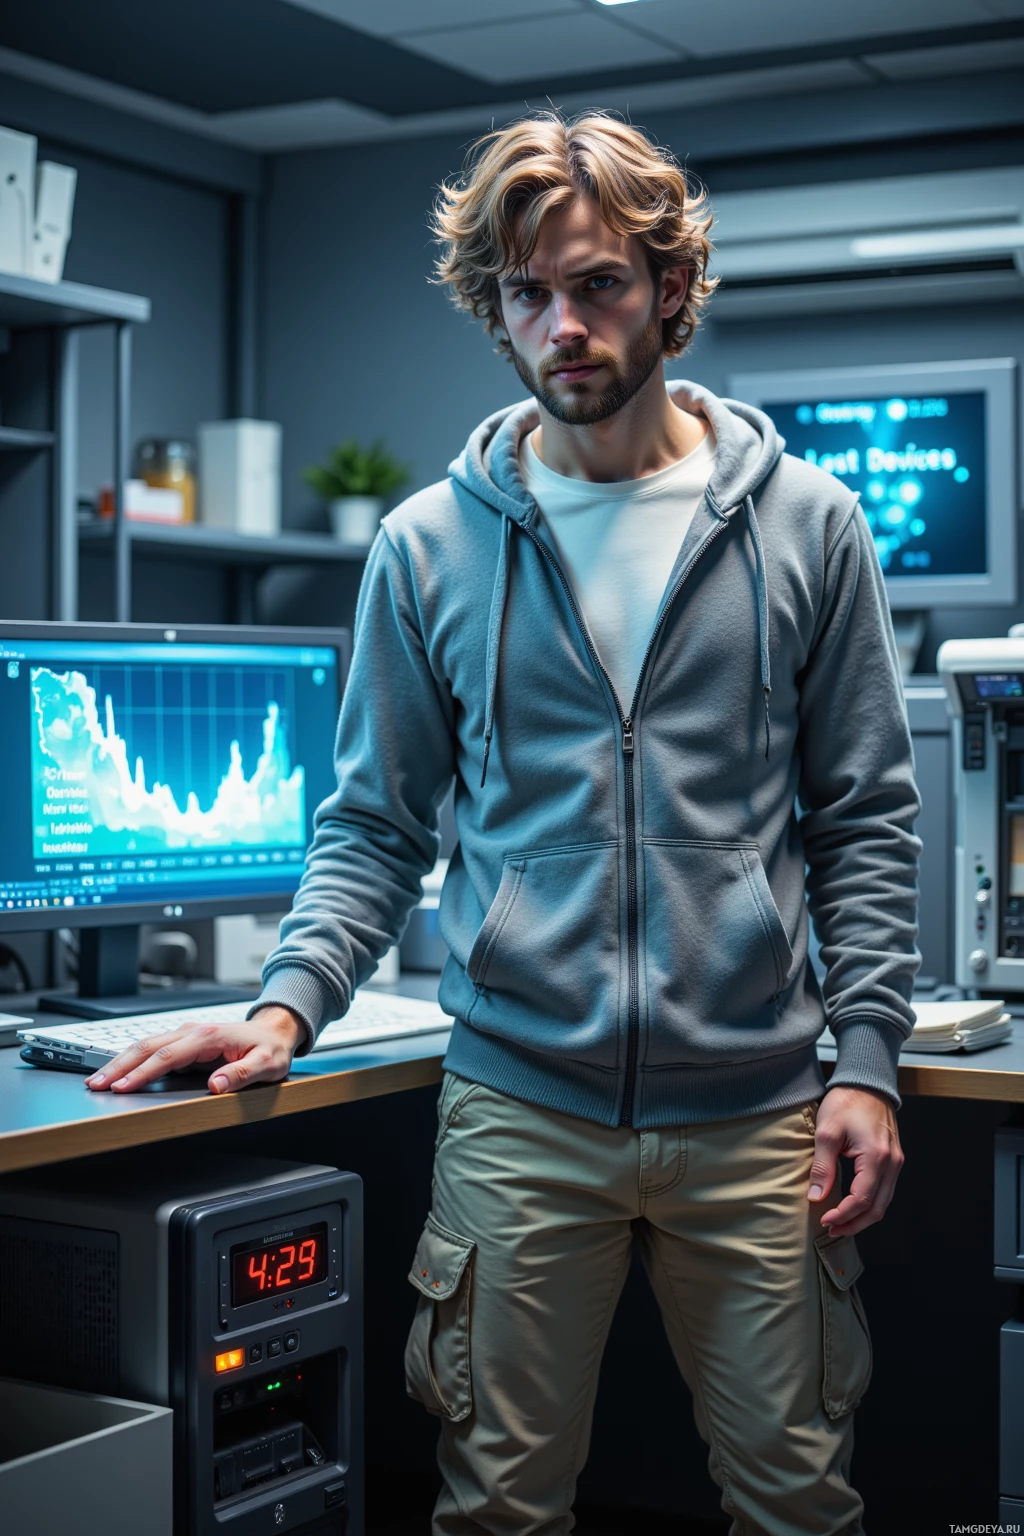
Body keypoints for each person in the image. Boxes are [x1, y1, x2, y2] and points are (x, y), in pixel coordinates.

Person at [88, 112, 921, 1535]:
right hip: (519, 1110)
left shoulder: (806, 522)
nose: (564, 325)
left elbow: (866, 820)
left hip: (760, 1115)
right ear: (496, 309)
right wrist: (286, 1007)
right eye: (528, 294)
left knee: (798, 1500)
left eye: (598, 284)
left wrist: (869, 1058)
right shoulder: (426, 544)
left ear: (669, 286)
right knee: (498, 1509)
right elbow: (374, 823)